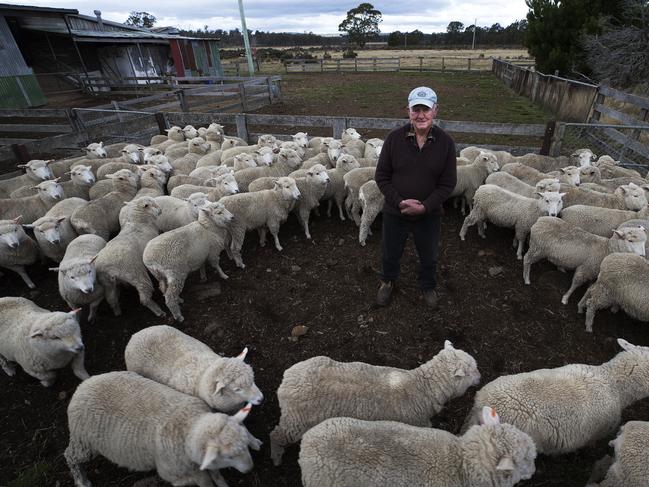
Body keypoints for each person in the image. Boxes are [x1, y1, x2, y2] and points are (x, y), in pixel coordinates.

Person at [374, 86, 457, 308]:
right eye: (416, 109)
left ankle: (428, 286)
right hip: (395, 211)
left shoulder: (446, 143)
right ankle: (388, 282)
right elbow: (381, 176)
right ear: (408, 110)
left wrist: (426, 206)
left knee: (429, 254)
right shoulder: (393, 139)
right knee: (390, 251)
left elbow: (448, 184)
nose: (421, 115)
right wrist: (399, 202)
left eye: (426, 109)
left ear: (435, 111)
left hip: (428, 214)